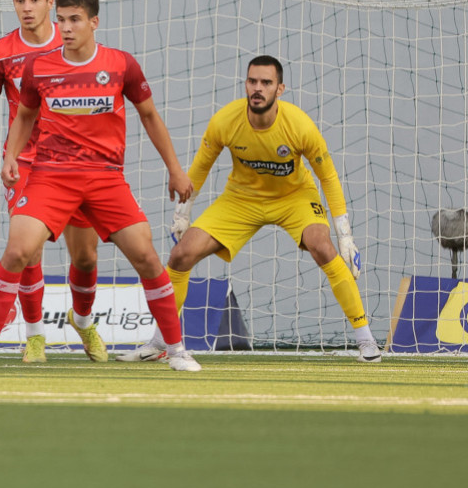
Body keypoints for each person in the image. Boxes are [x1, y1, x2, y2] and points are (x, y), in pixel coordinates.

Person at [0, 0, 200, 371]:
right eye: (62, 21)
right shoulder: (40, 68)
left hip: (105, 179)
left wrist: (175, 168)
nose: (67, 28)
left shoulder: (122, 65)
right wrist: (8, 158)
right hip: (51, 176)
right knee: (19, 251)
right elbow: (24, 116)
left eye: (74, 20)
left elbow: (150, 116)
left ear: (94, 22)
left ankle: (175, 350)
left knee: (143, 255)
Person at [120, 55, 381, 363]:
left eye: (266, 83)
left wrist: (345, 236)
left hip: (294, 197)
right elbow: (200, 168)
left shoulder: (300, 126)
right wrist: (183, 214)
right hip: (241, 199)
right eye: (252, 81)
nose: (258, 88)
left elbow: (329, 177)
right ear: (246, 84)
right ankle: (162, 341)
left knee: (322, 247)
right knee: (180, 255)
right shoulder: (225, 121)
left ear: (279, 89)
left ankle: (366, 339)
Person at [0, 0, 107, 364]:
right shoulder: (1, 52)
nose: (26, 8)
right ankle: (35, 337)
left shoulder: (76, 47)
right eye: (18, 0)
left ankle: (82, 320)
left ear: (50, 4)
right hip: (25, 162)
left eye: (33, 0)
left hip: (76, 163)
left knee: (86, 257)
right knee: (26, 251)